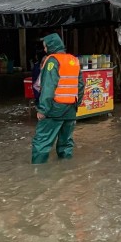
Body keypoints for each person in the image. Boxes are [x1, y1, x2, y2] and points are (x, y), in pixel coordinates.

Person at [31, 32, 85, 164]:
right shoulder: (74, 60)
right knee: (66, 144)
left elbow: (48, 87)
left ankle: (37, 176)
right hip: (71, 109)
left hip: (54, 109)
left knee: (42, 142)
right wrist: (76, 105)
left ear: (51, 46)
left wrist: (42, 110)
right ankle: (66, 173)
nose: (44, 49)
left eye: (45, 47)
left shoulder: (52, 60)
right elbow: (81, 85)